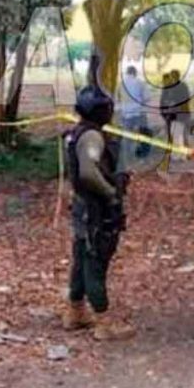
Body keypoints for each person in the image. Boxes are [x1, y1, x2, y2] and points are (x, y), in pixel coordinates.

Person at [61, 85, 136, 340]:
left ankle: (76, 311)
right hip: (94, 209)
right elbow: (88, 173)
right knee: (95, 261)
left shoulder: (77, 133)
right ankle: (104, 322)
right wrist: (111, 194)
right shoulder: (92, 137)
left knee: (82, 256)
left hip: (84, 207)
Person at [119, 65, 151, 159]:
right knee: (143, 135)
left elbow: (118, 98)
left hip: (126, 113)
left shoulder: (121, 83)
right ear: (135, 73)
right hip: (139, 113)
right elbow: (147, 98)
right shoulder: (140, 82)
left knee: (127, 136)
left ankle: (127, 156)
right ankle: (142, 155)